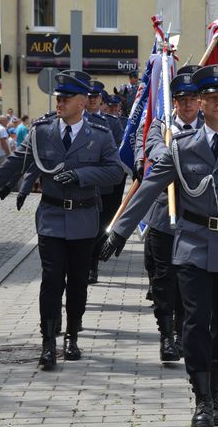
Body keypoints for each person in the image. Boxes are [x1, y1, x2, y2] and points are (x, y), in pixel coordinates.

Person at [100, 64, 218, 427]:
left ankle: (217, 390)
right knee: (194, 323)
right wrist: (119, 232)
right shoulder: (182, 147)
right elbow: (148, 188)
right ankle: (202, 398)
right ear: (200, 103)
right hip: (192, 245)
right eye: (211, 97)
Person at [0, 71, 124, 370]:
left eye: (66, 99)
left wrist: (81, 175)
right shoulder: (42, 131)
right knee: (52, 280)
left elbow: (115, 172)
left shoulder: (100, 135)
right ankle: (48, 342)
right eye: (58, 99)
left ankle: (72, 337)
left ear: (82, 102)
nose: (59, 103)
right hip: (51, 217)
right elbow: (17, 161)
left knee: (78, 282)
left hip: (83, 217)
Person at [135, 65, 204, 363]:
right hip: (164, 213)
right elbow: (156, 151)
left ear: (199, 100)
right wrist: (175, 159)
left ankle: (181, 332)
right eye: (181, 99)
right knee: (164, 279)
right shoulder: (160, 127)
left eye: (192, 98)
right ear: (173, 101)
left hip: (197, 217)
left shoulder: (207, 127)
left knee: (191, 279)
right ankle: (166, 336)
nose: (187, 104)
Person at [85, 79, 125, 284]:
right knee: (86, 227)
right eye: (89, 97)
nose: (92, 101)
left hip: (106, 185)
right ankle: (88, 265)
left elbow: (119, 149)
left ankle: (93, 261)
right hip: (84, 185)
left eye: (95, 97)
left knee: (102, 224)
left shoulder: (112, 123)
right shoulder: (76, 119)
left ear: (101, 100)